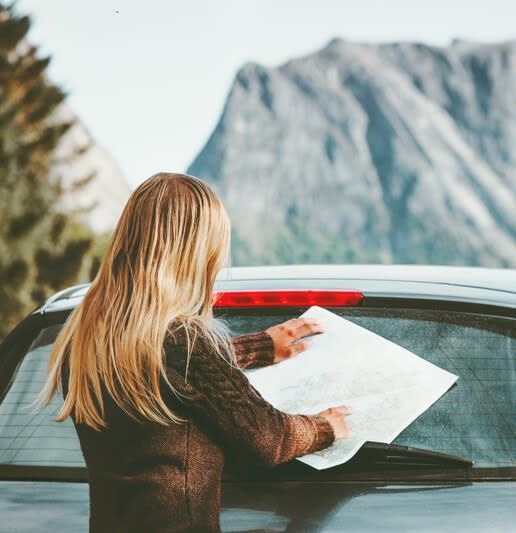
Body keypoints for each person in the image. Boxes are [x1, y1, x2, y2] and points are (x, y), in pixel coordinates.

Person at [36, 172, 351, 532]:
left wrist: (261, 347)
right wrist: (325, 426)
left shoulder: (86, 335)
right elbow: (269, 438)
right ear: (196, 253)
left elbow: (163, 367)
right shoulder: (185, 341)